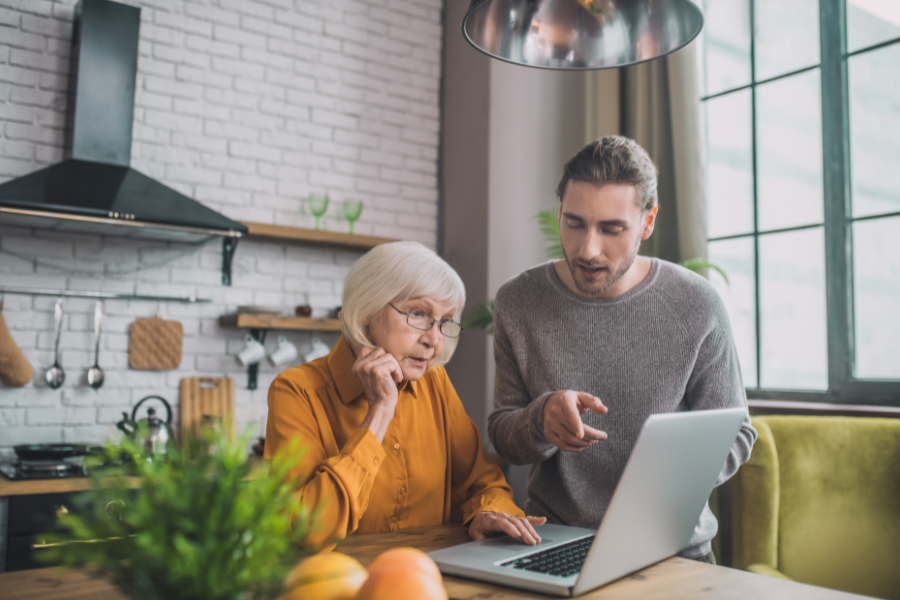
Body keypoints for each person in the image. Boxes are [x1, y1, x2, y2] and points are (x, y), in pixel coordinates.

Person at [487, 136, 757, 564]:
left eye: (612, 229)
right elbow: (504, 433)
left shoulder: (697, 304)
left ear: (647, 222)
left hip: (674, 553)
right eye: (574, 223)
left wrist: (667, 481)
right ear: (559, 211)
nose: (588, 249)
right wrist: (540, 421)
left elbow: (738, 433)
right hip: (554, 544)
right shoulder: (518, 303)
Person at [266, 241, 546, 547]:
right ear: (367, 311)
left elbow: (482, 484)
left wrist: (487, 512)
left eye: (444, 322)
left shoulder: (434, 382)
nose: (434, 341)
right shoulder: (296, 391)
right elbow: (302, 533)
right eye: (418, 313)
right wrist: (379, 412)